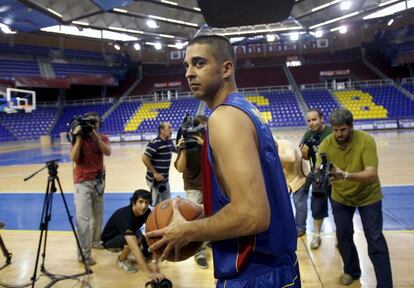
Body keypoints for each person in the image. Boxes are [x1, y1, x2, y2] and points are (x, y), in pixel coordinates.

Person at [147, 35, 300, 287]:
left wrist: (189, 231)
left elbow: (253, 215)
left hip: (256, 273)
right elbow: (248, 197)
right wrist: (207, 213)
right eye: (186, 66)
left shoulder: (225, 118)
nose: (189, 73)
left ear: (226, 68)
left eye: (199, 63)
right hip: (275, 268)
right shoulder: (245, 111)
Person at [317, 108, 392, 287]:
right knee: (343, 235)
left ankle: (385, 283)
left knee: (374, 238)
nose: (338, 134)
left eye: (342, 129)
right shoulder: (327, 143)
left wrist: (345, 175)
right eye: (335, 130)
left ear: (351, 126)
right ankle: (351, 271)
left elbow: (372, 174)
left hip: (368, 196)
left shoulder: (366, 140)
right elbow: (320, 167)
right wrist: (321, 175)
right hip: (341, 197)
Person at [70, 112, 111, 266]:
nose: (94, 125)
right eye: (91, 123)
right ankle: (83, 254)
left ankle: (95, 241)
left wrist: (95, 136)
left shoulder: (102, 137)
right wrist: (79, 138)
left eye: (96, 122)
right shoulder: (78, 138)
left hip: (99, 181)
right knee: (84, 220)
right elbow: (74, 157)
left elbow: (107, 151)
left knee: (98, 216)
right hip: (82, 183)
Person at [101, 189, 165, 282]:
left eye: (146, 202)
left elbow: (154, 233)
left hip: (129, 233)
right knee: (134, 240)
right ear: (134, 202)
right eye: (141, 202)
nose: (144, 206)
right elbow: (134, 247)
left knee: (142, 235)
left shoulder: (146, 212)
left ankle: (129, 250)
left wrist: (154, 262)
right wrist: (148, 272)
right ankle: (121, 260)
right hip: (110, 240)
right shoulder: (125, 217)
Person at [174, 114, 209, 269]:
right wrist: (182, 150)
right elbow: (180, 168)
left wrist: (205, 145)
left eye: (201, 129)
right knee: (195, 220)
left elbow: (217, 161)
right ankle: (199, 252)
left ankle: (209, 241)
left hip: (210, 185)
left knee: (212, 217)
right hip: (194, 186)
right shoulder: (184, 141)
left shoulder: (209, 140)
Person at [299, 109, 332, 249]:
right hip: (318, 176)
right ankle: (317, 235)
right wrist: (304, 154)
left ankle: (341, 236)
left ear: (321, 119)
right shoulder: (307, 135)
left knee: (338, 207)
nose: (311, 123)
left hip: (334, 176)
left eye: (314, 119)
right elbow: (305, 157)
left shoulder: (331, 131)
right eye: (309, 121)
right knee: (317, 207)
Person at [277, 139, 310, 240]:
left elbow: (291, 158)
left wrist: (273, 154)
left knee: (299, 204)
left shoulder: (285, 143)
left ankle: (300, 228)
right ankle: (286, 227)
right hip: (286, 180)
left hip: (300, 177)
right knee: (282, 204)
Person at [142, 121, 176, 206]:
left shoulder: (169, 142)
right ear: (162, 130)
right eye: (169, 128)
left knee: (166, 203)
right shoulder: (155, 143)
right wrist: (155, 173)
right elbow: (145, 158)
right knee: (157, 205)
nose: (172, 130)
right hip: (155, 180)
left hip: (164, 179)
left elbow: (177, 150)